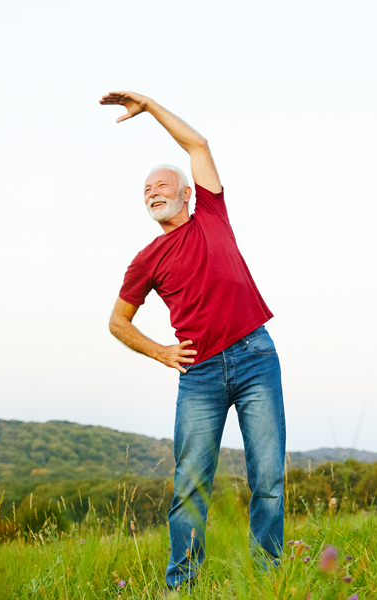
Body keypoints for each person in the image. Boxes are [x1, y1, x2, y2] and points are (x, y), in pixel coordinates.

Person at [99, 91, 285, 588]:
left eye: (162, 184)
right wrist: (160, 351)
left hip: (255, 356)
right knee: (190, 486)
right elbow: (117, 322)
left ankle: (270, 580)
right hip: (198, 374)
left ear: (187, 193)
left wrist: (149, 106)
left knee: (267, 478)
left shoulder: (212, 215)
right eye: (145, 190)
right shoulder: (146, 259)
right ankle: (181, 585)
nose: (152, 192)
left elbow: (198, 144)